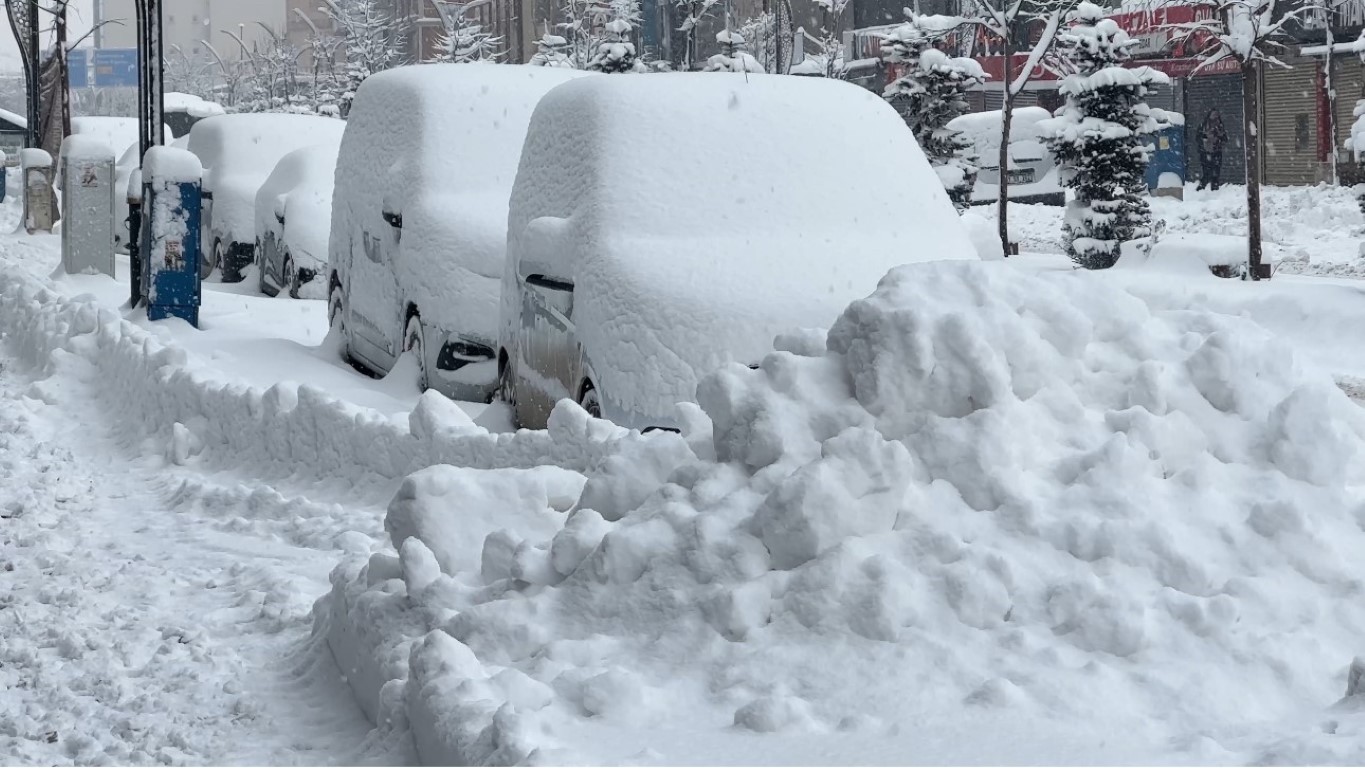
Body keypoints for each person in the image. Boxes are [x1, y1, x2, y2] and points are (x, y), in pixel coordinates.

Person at [1196, 109, 1228, 191]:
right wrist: (1204, 140)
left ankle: (1214, 190)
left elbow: (1225, 139)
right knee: (1207, 172)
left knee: (1215, 173)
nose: (1215, 118)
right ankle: (1201, 188)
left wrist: (1219, 140)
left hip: (1216, 152)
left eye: (1216, 116)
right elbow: (1198, 137)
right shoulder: (1203, 126)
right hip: (1205, 152)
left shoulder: (1220, 127)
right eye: (1213, 116)